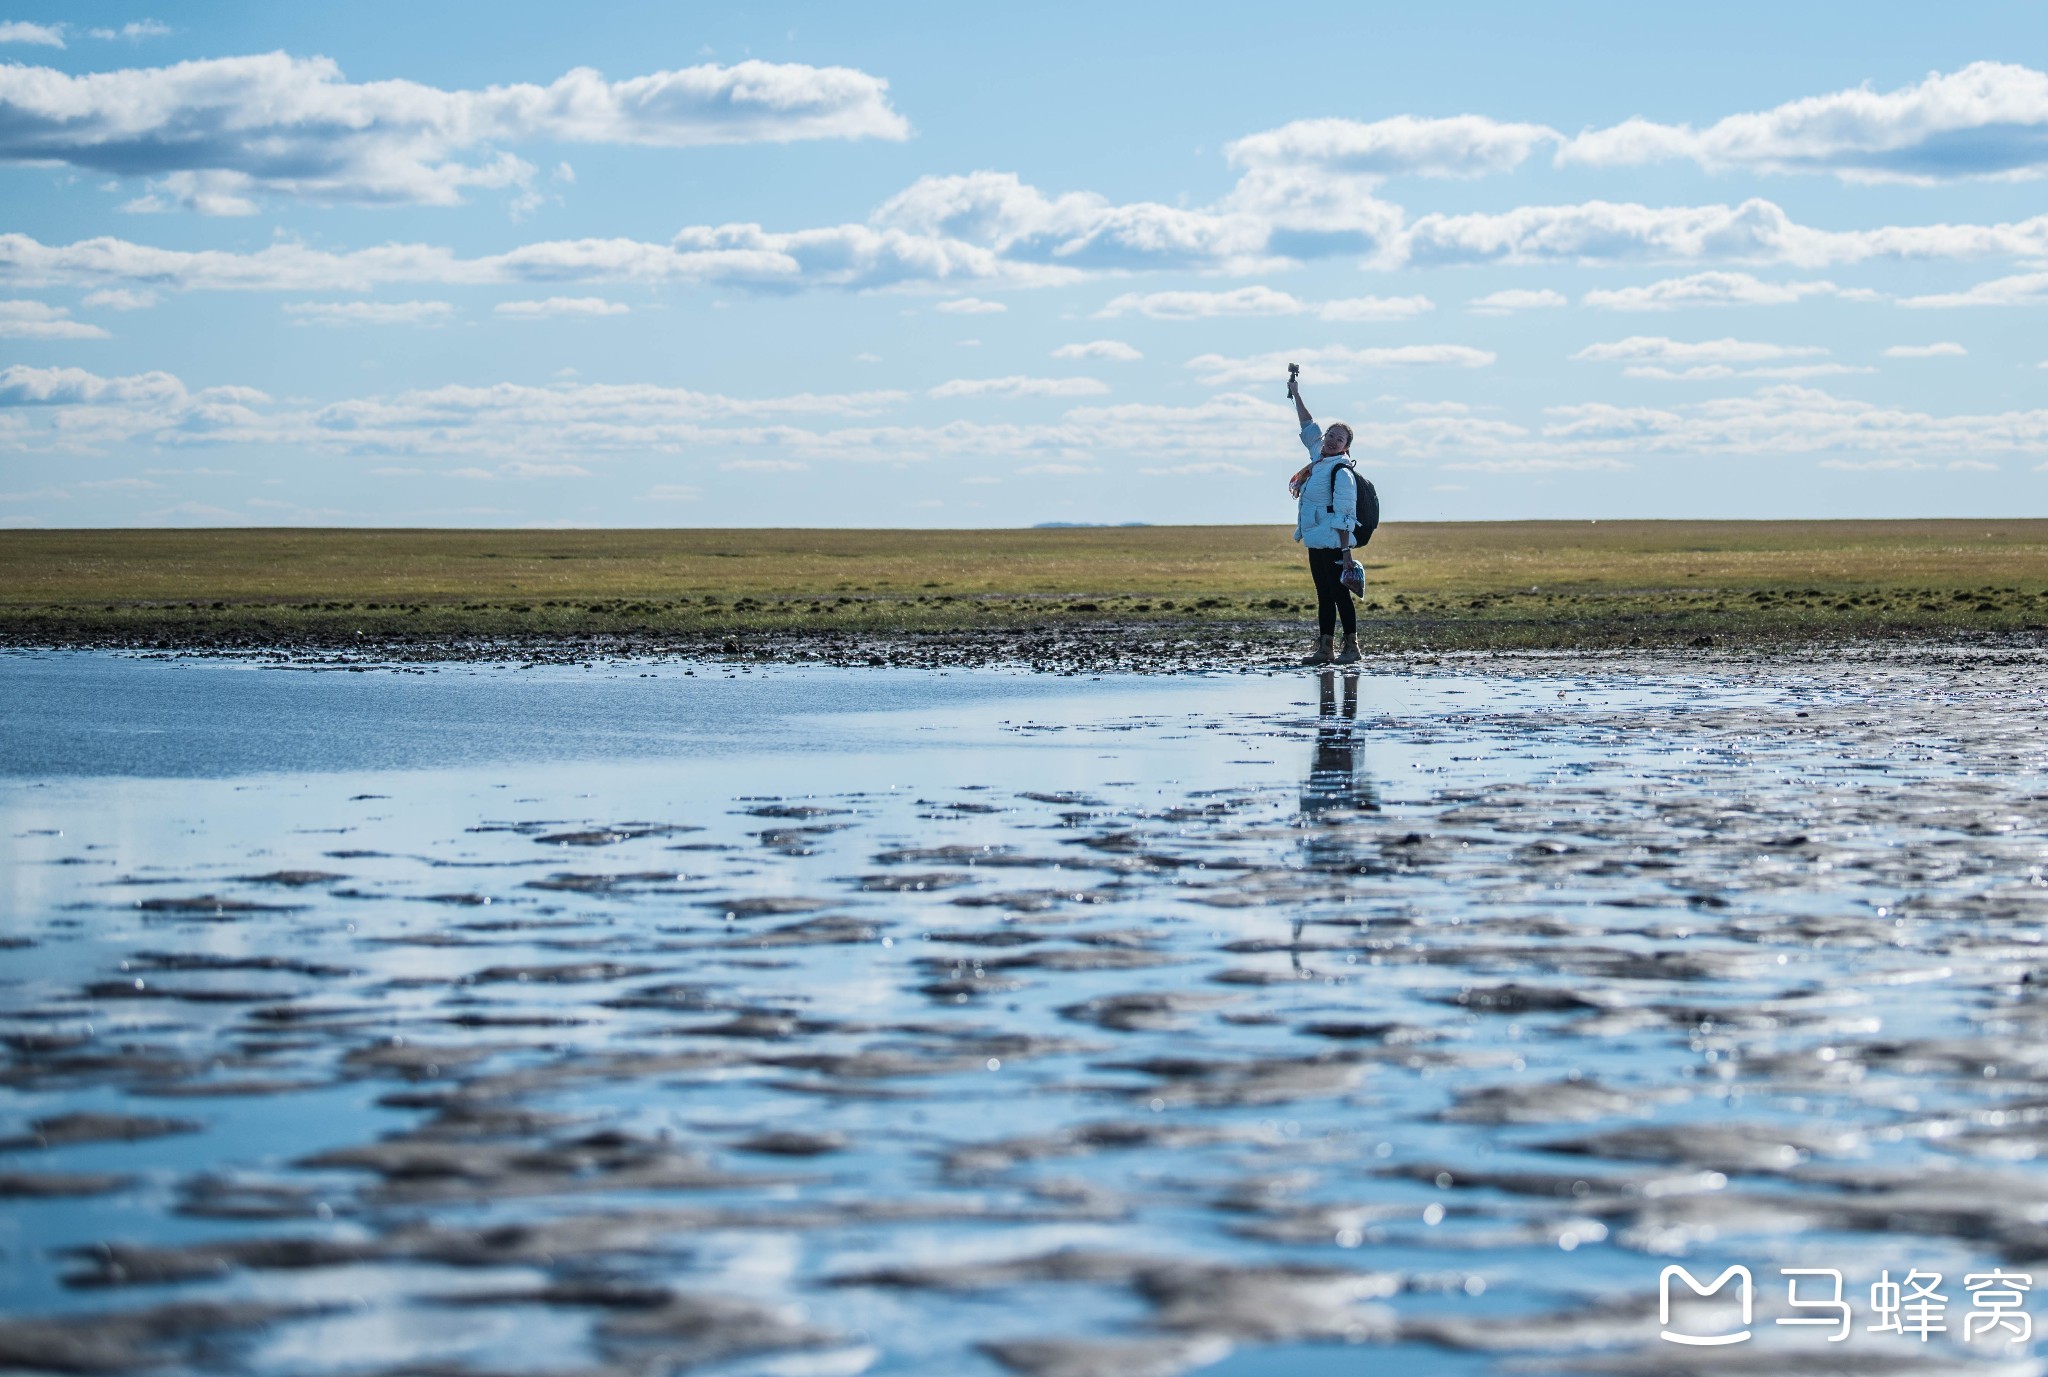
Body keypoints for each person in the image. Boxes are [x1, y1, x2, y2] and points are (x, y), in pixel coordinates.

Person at [1287, 374, 1360, 665]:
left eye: (1338, 438)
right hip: (1316, 541)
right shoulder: (1319, 457)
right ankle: (1325, 649)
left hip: (1334, 543)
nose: (1331, 439)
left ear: (1346, 447)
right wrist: (1295, 393)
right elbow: (1308, 425)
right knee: (1323, 595)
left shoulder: (1341, 472)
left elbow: (1345, 515)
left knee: (1341, 596)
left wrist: (1346, 554)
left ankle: (1352, 648)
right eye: (1330, 434)